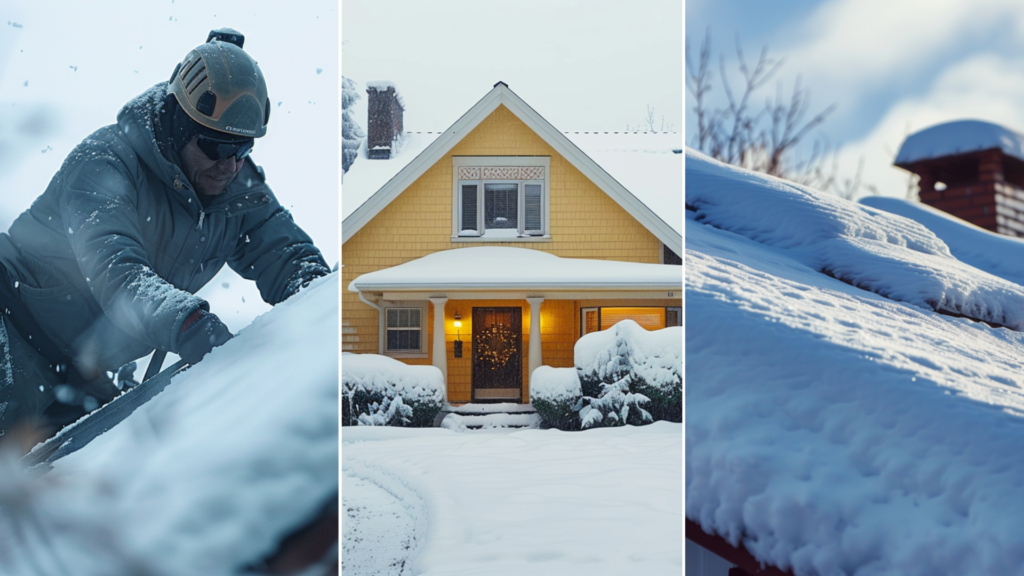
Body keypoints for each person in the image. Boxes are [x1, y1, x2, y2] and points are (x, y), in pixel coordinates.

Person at [0, 29, 330, 444]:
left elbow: (287, 256)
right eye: (215, 146)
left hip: (80, 371)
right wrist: (190, 323)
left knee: (100, 480)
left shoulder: (236, 190)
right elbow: (119, 276)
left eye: (242, 149)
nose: (229, 166)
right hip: (12, 330)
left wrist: (321, 305)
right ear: (177, 124)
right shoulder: (104, 163)